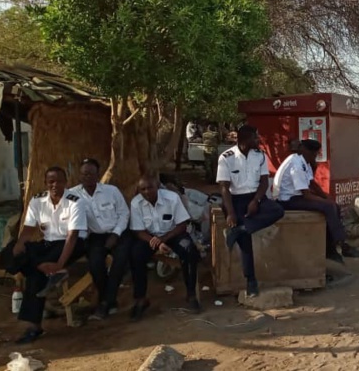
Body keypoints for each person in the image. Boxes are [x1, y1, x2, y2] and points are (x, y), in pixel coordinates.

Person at [6, 167, 87, 344]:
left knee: (36, 276)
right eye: (51, 181)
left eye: (58, 181)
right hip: (48, 243)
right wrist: (19, 246)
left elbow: (72, 237)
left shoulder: (75, 201)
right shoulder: (37, 201)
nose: (55, 185)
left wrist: (59, 264)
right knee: (13, 253)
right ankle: (45, 270)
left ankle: (34, 327)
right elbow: (28, 229)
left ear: (66, 182)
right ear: (45, 183)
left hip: (72, 244)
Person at [216, 125, 286, 297]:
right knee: (245, 243)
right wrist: (231, 212)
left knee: (277, 210)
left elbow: (264, 182)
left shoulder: (259, 156)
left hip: (255, 197)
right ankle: (251, 281)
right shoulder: (226, 158)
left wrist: (256, 200)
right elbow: (224, 188)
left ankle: (241, 229)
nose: (258, 140)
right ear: (245, 140)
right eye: (255, 138)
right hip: (235, 200)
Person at [274, 139, 359, 264]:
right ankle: (342, 244)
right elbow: (306, 195)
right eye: (314, 155)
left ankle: (331, 246)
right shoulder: (296, 165)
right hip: (287, 200)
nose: (315, 157)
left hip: (298, 196)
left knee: (334, 206)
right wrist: (326, 202)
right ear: (307, 152)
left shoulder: (304, 162)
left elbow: (312, 184)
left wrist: (326, 197)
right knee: (328, 207)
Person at [129, 175, 200, 320]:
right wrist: (157, 242)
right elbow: (138, 230)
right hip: (150, 238)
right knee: (135, 254)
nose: (147, 191)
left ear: (157, 187)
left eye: (150, 188)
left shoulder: (172, 198)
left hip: (173, 234)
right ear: (139, 190)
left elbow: (182, 225)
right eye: (143, 189)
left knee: (189, 250)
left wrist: (163, 239)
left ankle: (191, 295)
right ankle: (140, 299)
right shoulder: (136, 203)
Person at [69, 159, 131, 321]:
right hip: (96, 235)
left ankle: (104, 303)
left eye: (91, 173)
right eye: (84, 174)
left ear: (98, 175)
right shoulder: (73, 195)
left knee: (121, 260)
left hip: (119, 232)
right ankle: (109, 301)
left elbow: (124, 213)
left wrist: (116, 234)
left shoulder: (112, 191)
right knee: (95, 263)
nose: (87, 177)